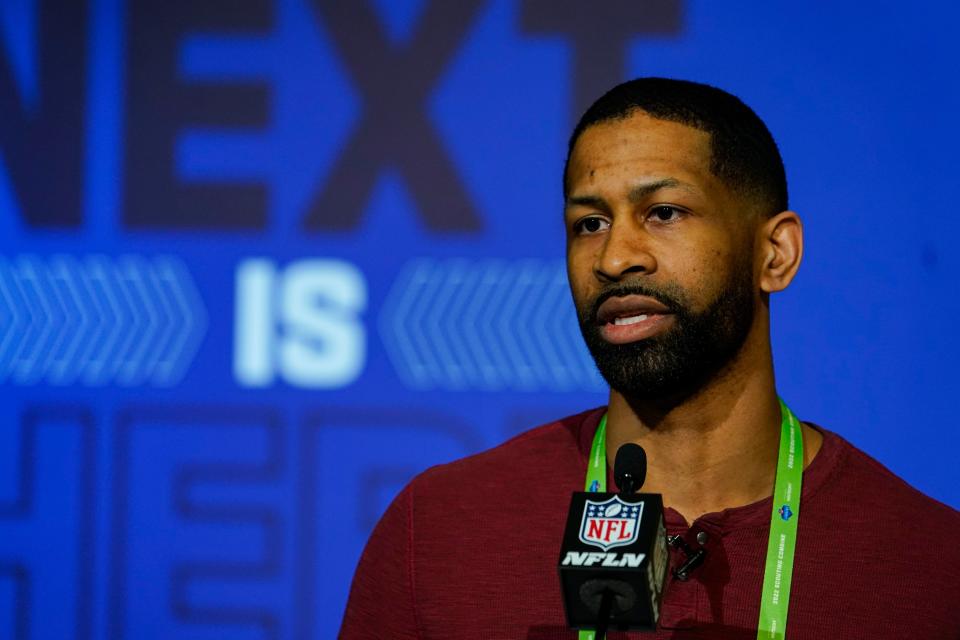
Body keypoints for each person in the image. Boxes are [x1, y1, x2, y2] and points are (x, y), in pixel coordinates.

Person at [339, 78, 960, 639]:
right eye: (589, 223)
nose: (614, 258)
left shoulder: (932, 567)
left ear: (776, 254)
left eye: (663, 213)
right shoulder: (441, 530)